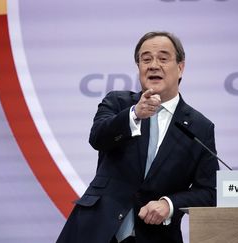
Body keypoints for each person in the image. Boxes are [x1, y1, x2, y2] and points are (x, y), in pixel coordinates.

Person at [57, 31, 219, 243]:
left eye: (163, 58)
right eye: (146, 59)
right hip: (96, 230)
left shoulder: (200, 127)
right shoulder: (118, 103)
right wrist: (134, 114)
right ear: (139, 68)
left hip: (156, 236)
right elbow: (97, 137)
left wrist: (169, 204)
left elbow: (209, 191)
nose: (153, 65)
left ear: (180, 67)